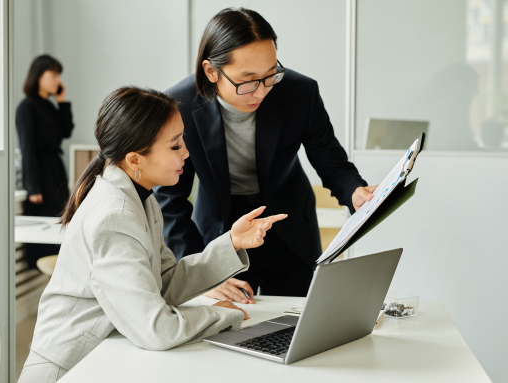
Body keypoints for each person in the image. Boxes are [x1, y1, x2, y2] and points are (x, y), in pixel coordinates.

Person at [18, 86, 286, 382]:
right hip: (70, 369)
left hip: (104, 355)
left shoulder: (140, 195)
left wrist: (232, 242)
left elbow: (162, 282)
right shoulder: (115, 215)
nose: (187, 152)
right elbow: (156, 329)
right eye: (175, 146)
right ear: (135, 160)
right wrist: (224, 316)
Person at [154, 7, 377, 303]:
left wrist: (355, 193)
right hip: (223, 233)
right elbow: (169, 199)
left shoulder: (299, 92)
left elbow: (331, 161)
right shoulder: (179, 106)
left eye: (270, 75)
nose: (261, 92)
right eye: (247, 81)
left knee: (294, 328)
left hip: (289, 228)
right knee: (228, 330)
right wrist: (197, 271)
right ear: (211, 71)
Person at [16, 54, 74, 268]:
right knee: (47, 222)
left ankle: (61, 267)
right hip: (40, 173)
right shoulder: (27, 107)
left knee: (61, 219)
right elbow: (27, 147)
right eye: (53, 74)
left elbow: (66, 132)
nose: (57, 80)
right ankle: (46, 268)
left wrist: (62, 102)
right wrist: (33, 187)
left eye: (59, 75)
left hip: (56, 170)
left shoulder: (49, 106)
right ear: (38, 75)